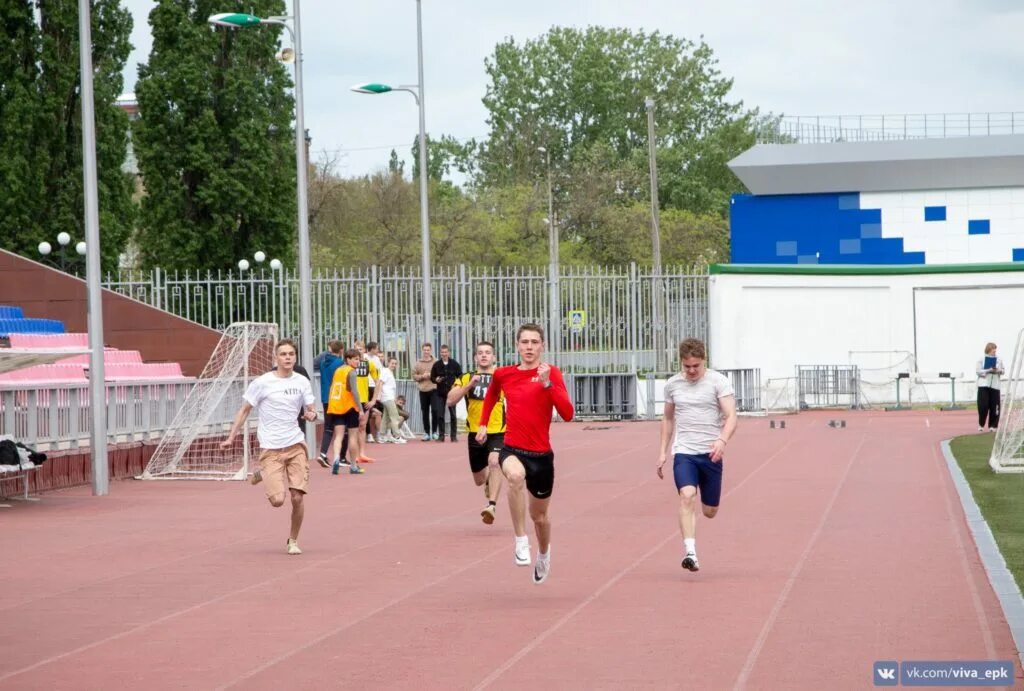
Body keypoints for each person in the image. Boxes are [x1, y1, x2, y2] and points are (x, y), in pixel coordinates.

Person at [477, 324, 574, 584]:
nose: (529, 347)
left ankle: (544, 554)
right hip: (512, 448)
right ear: (517, 346)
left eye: (534, 342)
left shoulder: (551, 372)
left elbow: (568, 413)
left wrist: (548, 385)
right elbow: (491, 395)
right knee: (515, 477)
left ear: (542, 346)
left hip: (541, 456)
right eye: (524, 342)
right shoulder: (503, 374)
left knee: (540, 517)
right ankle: (521, 540)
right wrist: (484, 423)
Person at [220, 339, 317, 555]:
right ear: (275, 358)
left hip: (295, 444)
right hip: (271, 448)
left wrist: (312, 415)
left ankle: (293, 540)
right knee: (277, 501)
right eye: (283, 354)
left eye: (291, 354)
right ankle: (263, 472)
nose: (288, 357)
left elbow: (311, 409)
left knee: (297, 496)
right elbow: (245, 410)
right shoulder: (263, 382)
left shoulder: (302, 381)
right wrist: (231, 436)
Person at [657, 338, 737, 573]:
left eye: (696, 366)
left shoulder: (718, 382)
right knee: (687, 496)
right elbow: (668, 418)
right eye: (687, 366)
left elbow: (731, 416)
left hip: (711, 453)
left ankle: (706, 506)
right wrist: (662, 451)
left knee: (709, 512)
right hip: (685, 452)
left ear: (704, 361)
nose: (691, 371)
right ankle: (690, 553)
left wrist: (722, 441)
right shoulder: (673, 385)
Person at [448, 341, 505, 524]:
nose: (484, 355)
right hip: (474, 433)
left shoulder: (502, 377)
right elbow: (450, 400)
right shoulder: (466, 377)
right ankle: (489, 481)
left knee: (494, 462)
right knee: (479, 479)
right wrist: (468, 386)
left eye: (488, 352)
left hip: (497, 430)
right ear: (475, 357)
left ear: (494, 357)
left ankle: (491, 505)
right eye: (480, 352)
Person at [326, 348, 369, 475]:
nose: (358, 361)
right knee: (352, 436)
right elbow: (355, 392)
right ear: (348, 359)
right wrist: (360, 410)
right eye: (355, 359)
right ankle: (354, 466)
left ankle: (336, 459)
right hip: (350, 407)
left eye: (359, 359)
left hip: (337, 406)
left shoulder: (338, 370)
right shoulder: (352, 372)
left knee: (338, 435)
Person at [316, 340, 345, 467]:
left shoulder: (323, 363)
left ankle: (323, 453)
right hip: (337, 397)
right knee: (342, 427)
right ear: (341, 350)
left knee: (328, 427)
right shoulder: (340, 363)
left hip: (325, 397)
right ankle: (341, 457)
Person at [431, 344, 462, 442]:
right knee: (440, 415)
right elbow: (432, 377)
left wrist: (457, 386)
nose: (444, 354)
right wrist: (436, 380)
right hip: (440, 393)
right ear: (440, 353)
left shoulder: (455, 364)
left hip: (452, 393)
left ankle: (453, 436)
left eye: (445, 352)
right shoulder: (436, 365)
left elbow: (460, 376)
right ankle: (441, 436)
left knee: (453, 415)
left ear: (448, 352)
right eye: (442, 352)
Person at [411, 343, 438, 440]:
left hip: (434, 389)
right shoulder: (418, 363)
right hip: (423, 390)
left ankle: (435, 432)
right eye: (425, 350)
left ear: (431, 350)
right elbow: (414, 376)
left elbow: (441, 374)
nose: (426, 352)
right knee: (425, 412)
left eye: (428, 350)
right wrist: (422, 376)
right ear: (422, 350)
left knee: (435, 410)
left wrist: (432, 375)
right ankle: (427, 433)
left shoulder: (436, 362)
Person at [976, 342, 1005, 432]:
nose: (994, 353)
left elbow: (1003, 371)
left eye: (995, 351)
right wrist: (988, 370)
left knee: (995, 407)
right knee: (983, 406)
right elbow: (978, 371)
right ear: (988, 350)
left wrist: (998, 371)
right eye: (993, 351)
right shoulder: (981, 359)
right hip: (983, 385)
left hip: (995, 386)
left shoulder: (999, 359)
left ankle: (993, 426)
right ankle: (981, 424)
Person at [378, 357, 406, 444]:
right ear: (388, 363)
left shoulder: (389, 372)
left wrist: (393, 397)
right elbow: (380, 383)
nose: (393, 365)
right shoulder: (385, 371)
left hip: (388, 397)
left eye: (395, 363)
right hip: (387, 397)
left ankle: (382, 436)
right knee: (395, 417)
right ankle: (397, 436)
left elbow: (389, 387)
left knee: (385, 417)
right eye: (392, 363)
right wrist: (378, 395)